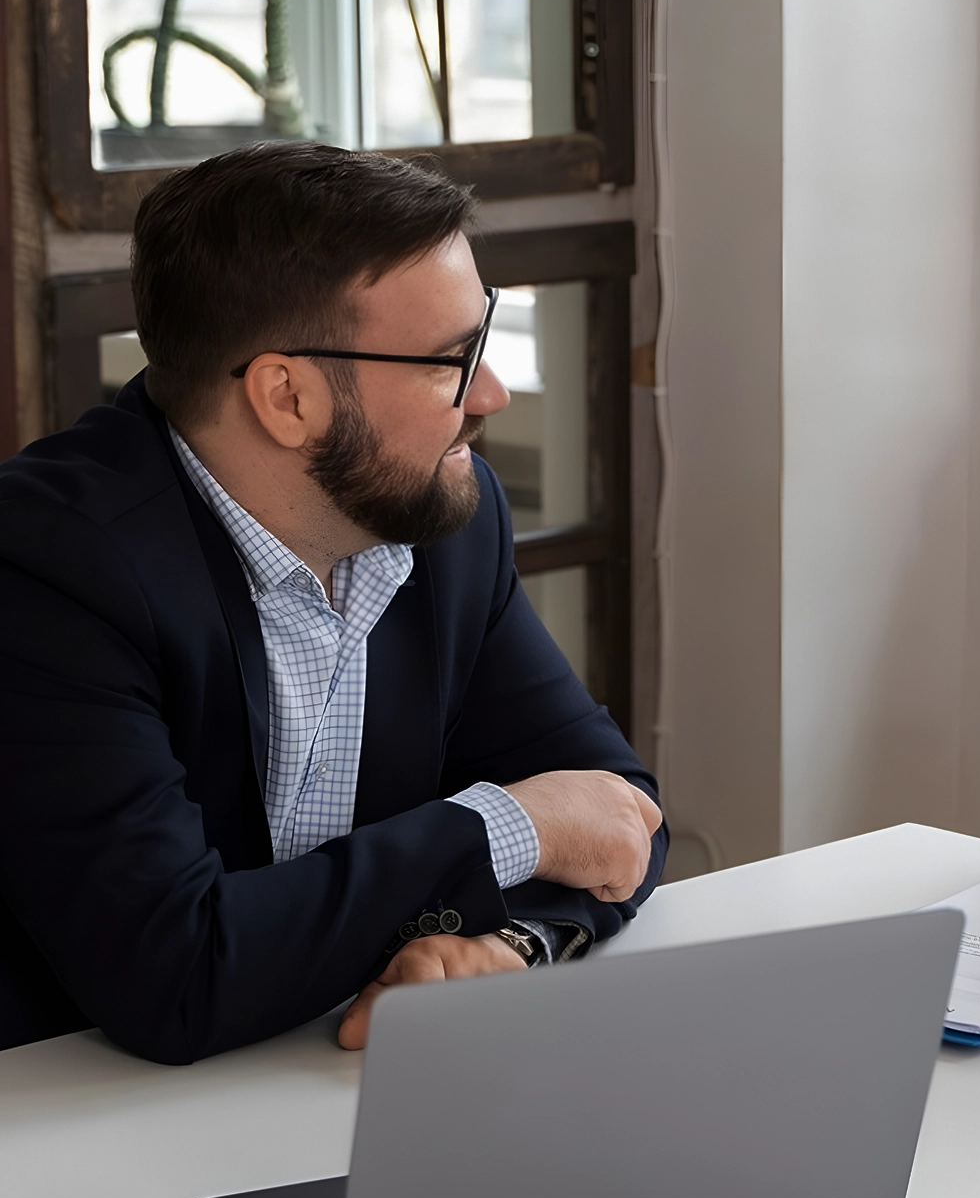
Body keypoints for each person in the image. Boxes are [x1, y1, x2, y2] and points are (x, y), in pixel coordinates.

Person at [0, 143, 666, 1064]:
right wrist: (510, 828)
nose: (493, 393)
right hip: (67, 1108)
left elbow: (617, 812)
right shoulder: (48, 568)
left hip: (332, 1072)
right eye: (452, 359)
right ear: (288, 397)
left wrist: (512, 943)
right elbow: (172, 977)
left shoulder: (445, 513)